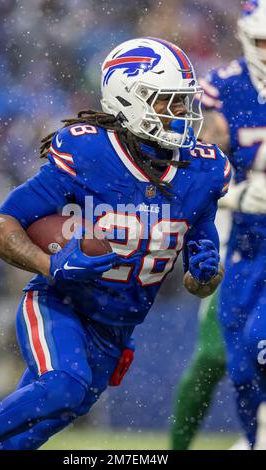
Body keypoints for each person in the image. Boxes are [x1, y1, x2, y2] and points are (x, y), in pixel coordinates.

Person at [0, 37, 230, 450]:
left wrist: (207, 274)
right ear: (129, 99)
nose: (181, 114)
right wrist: (51, 265)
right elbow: (1, 228)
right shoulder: (89, 151)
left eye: (183, 102)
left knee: (39, 424)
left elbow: (201, 282)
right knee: (64, 387)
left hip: (118, 328)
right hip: (61, 304)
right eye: (167, 102)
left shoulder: (203, 171)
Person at [171, 0, 266, 450]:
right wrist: (239, 194)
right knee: (230, 359)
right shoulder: (222, 88)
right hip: (240, 238)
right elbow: (198, 166)